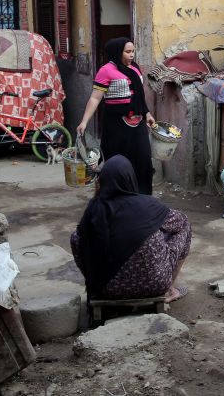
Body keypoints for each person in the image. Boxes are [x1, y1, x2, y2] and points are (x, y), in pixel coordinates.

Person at [70, 155, 191, 304]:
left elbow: (77, 239)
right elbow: (181, 221)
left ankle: (98, 282)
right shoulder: (148, 205)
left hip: (105, 289)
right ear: (130, 179)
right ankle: (170, 289)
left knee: (77, 237)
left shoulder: (94, 210)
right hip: (154, 286)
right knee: (182, 225)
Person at [77, 37, 156, 194]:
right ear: (117, 52)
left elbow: (140, 95)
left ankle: (142, 196)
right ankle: (117, 195)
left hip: (137, 123)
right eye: (127, 52)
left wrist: (147, 114)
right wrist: (84, 122)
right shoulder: (106, 71)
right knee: (117, 161)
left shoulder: (135, 68)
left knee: (143, 159)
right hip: (115, 126)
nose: (132, 55)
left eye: (133, 51)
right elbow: (95, 98)